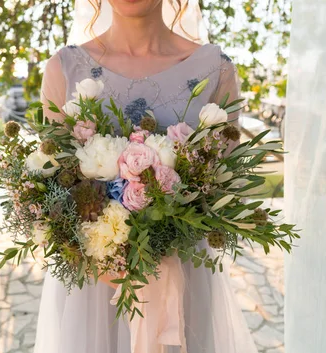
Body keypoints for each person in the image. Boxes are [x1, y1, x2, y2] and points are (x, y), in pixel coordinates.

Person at [34, 1, 258, 352]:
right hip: (95, 288)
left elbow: (224, 192)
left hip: (180, 280)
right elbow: (49, 191)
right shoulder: (64, 69)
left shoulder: (216, 70)